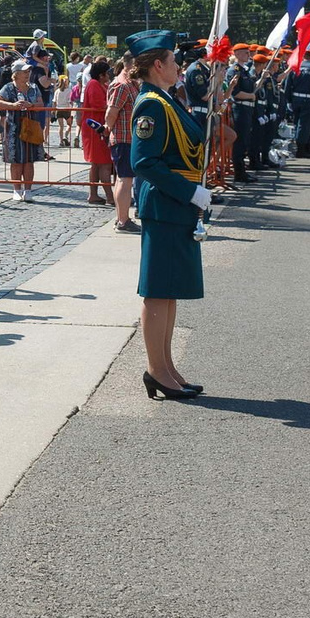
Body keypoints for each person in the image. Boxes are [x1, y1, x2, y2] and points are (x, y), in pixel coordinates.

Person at [124, 30, 209, 400]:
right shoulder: (152, 105)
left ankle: (167, 367)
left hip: (178, 205)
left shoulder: (167, 99)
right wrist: (190, 190)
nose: (179, 66)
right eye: (174, 61)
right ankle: (156, 370)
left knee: (170, 291)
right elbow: (143, 162)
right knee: (158, 292)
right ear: (158, 65)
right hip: (165, 205)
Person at [0, 57, 42, 199]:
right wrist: (12, 106)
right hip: (13, 127)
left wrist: (32, 105)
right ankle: (17, 190)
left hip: (31, 127)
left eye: (28, 71)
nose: (27, 73)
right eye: (24, 71)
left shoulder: (34, 87)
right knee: (16, 160)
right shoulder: (8, 87)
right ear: (16, 73)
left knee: (29, 160)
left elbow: (41, 104)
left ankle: (28, 190)